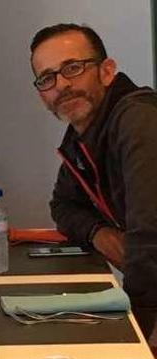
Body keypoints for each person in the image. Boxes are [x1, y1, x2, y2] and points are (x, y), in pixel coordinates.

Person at [30, 23, 157, 339]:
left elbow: (150, 238)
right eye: (47, 78)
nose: (62, 85)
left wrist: (135, 338)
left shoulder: (139, 120)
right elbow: (62, 205)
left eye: (73, 68)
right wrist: (98, 233)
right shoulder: (83, 135)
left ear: (106, 71)